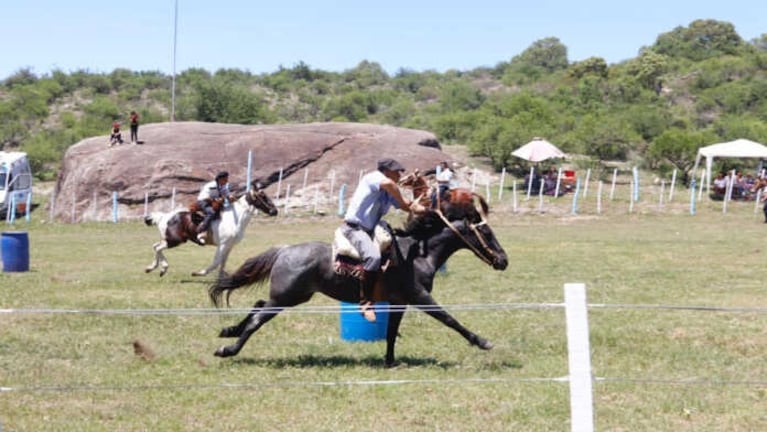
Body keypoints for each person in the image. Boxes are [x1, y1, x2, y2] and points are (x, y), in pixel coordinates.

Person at [341, 158, 427, 321]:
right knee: (373, 257)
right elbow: (391, 186)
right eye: (396, 172)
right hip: (355, 228)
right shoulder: (373, 178)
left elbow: (406, 205)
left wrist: (425, 208)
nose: (399, 175)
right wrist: (402, 197)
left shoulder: (389, 189)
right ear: (386, 171)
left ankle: (390, 289)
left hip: (370, 229)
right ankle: (365, 302)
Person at [195, 171, 234, 244]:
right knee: (211, 212)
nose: (227, 181)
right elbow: (206, 197)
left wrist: (231, 197)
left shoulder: (223, 186)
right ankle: (202, 231)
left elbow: (227, 194)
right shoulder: (212, 185)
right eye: (225, 180)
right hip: (203, 202)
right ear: (220, 179)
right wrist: (215, 200)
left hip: (213, 202)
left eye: (227, 179)